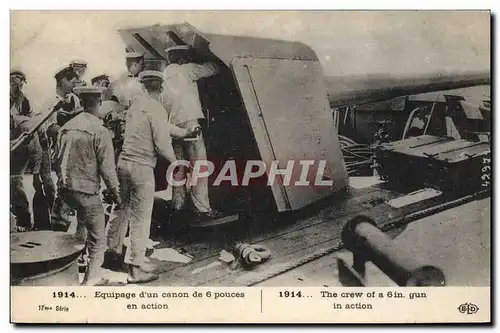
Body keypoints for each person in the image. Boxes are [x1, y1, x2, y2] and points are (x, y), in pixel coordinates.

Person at [106, 70, 197, 283]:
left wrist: (185, 132)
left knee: (121, 209)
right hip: (142, 167)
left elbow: (161, 127)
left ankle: (111, 253)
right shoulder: (157, 109)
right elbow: (161, 142)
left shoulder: (135, 106)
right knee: (141, 218)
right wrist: (176, 162)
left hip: (123, 164)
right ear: (162, 88)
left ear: (143, 87)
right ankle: (135, 269)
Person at [52, 86, 121, 286]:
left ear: (81, 103)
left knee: (79, 228)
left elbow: (57, 161)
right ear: (99, 103)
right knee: (98, 239)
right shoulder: (100, 131)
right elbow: (108, 170)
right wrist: (117, 195)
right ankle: (91, 281)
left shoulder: (66, 127)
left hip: (65, 190)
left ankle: (72, 270)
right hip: (87, 193)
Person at [162, 45, 223, 222]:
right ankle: (202, 208)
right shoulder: (187, 70)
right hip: (189, 123)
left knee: (178, 167)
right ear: (182, 59)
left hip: (172, 127)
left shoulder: (163, 77)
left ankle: (178, 206)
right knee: (199, 165)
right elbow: (212, 69)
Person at [47, 64, 85, 231]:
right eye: (73, 80)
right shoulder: (51, 101)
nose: (76, 82)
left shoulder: (74, 99)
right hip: (61, 153)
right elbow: (50, 128)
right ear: (63, 81)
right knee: (63, 189)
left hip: (76, 153)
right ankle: (58, 226)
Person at [10, 69, 43, 231]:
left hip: (17, 147)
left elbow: (29, 119)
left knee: (15, 183)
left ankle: (23, 222)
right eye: (16, 83)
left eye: (21, 83)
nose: (19, 86)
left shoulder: (24, 100)